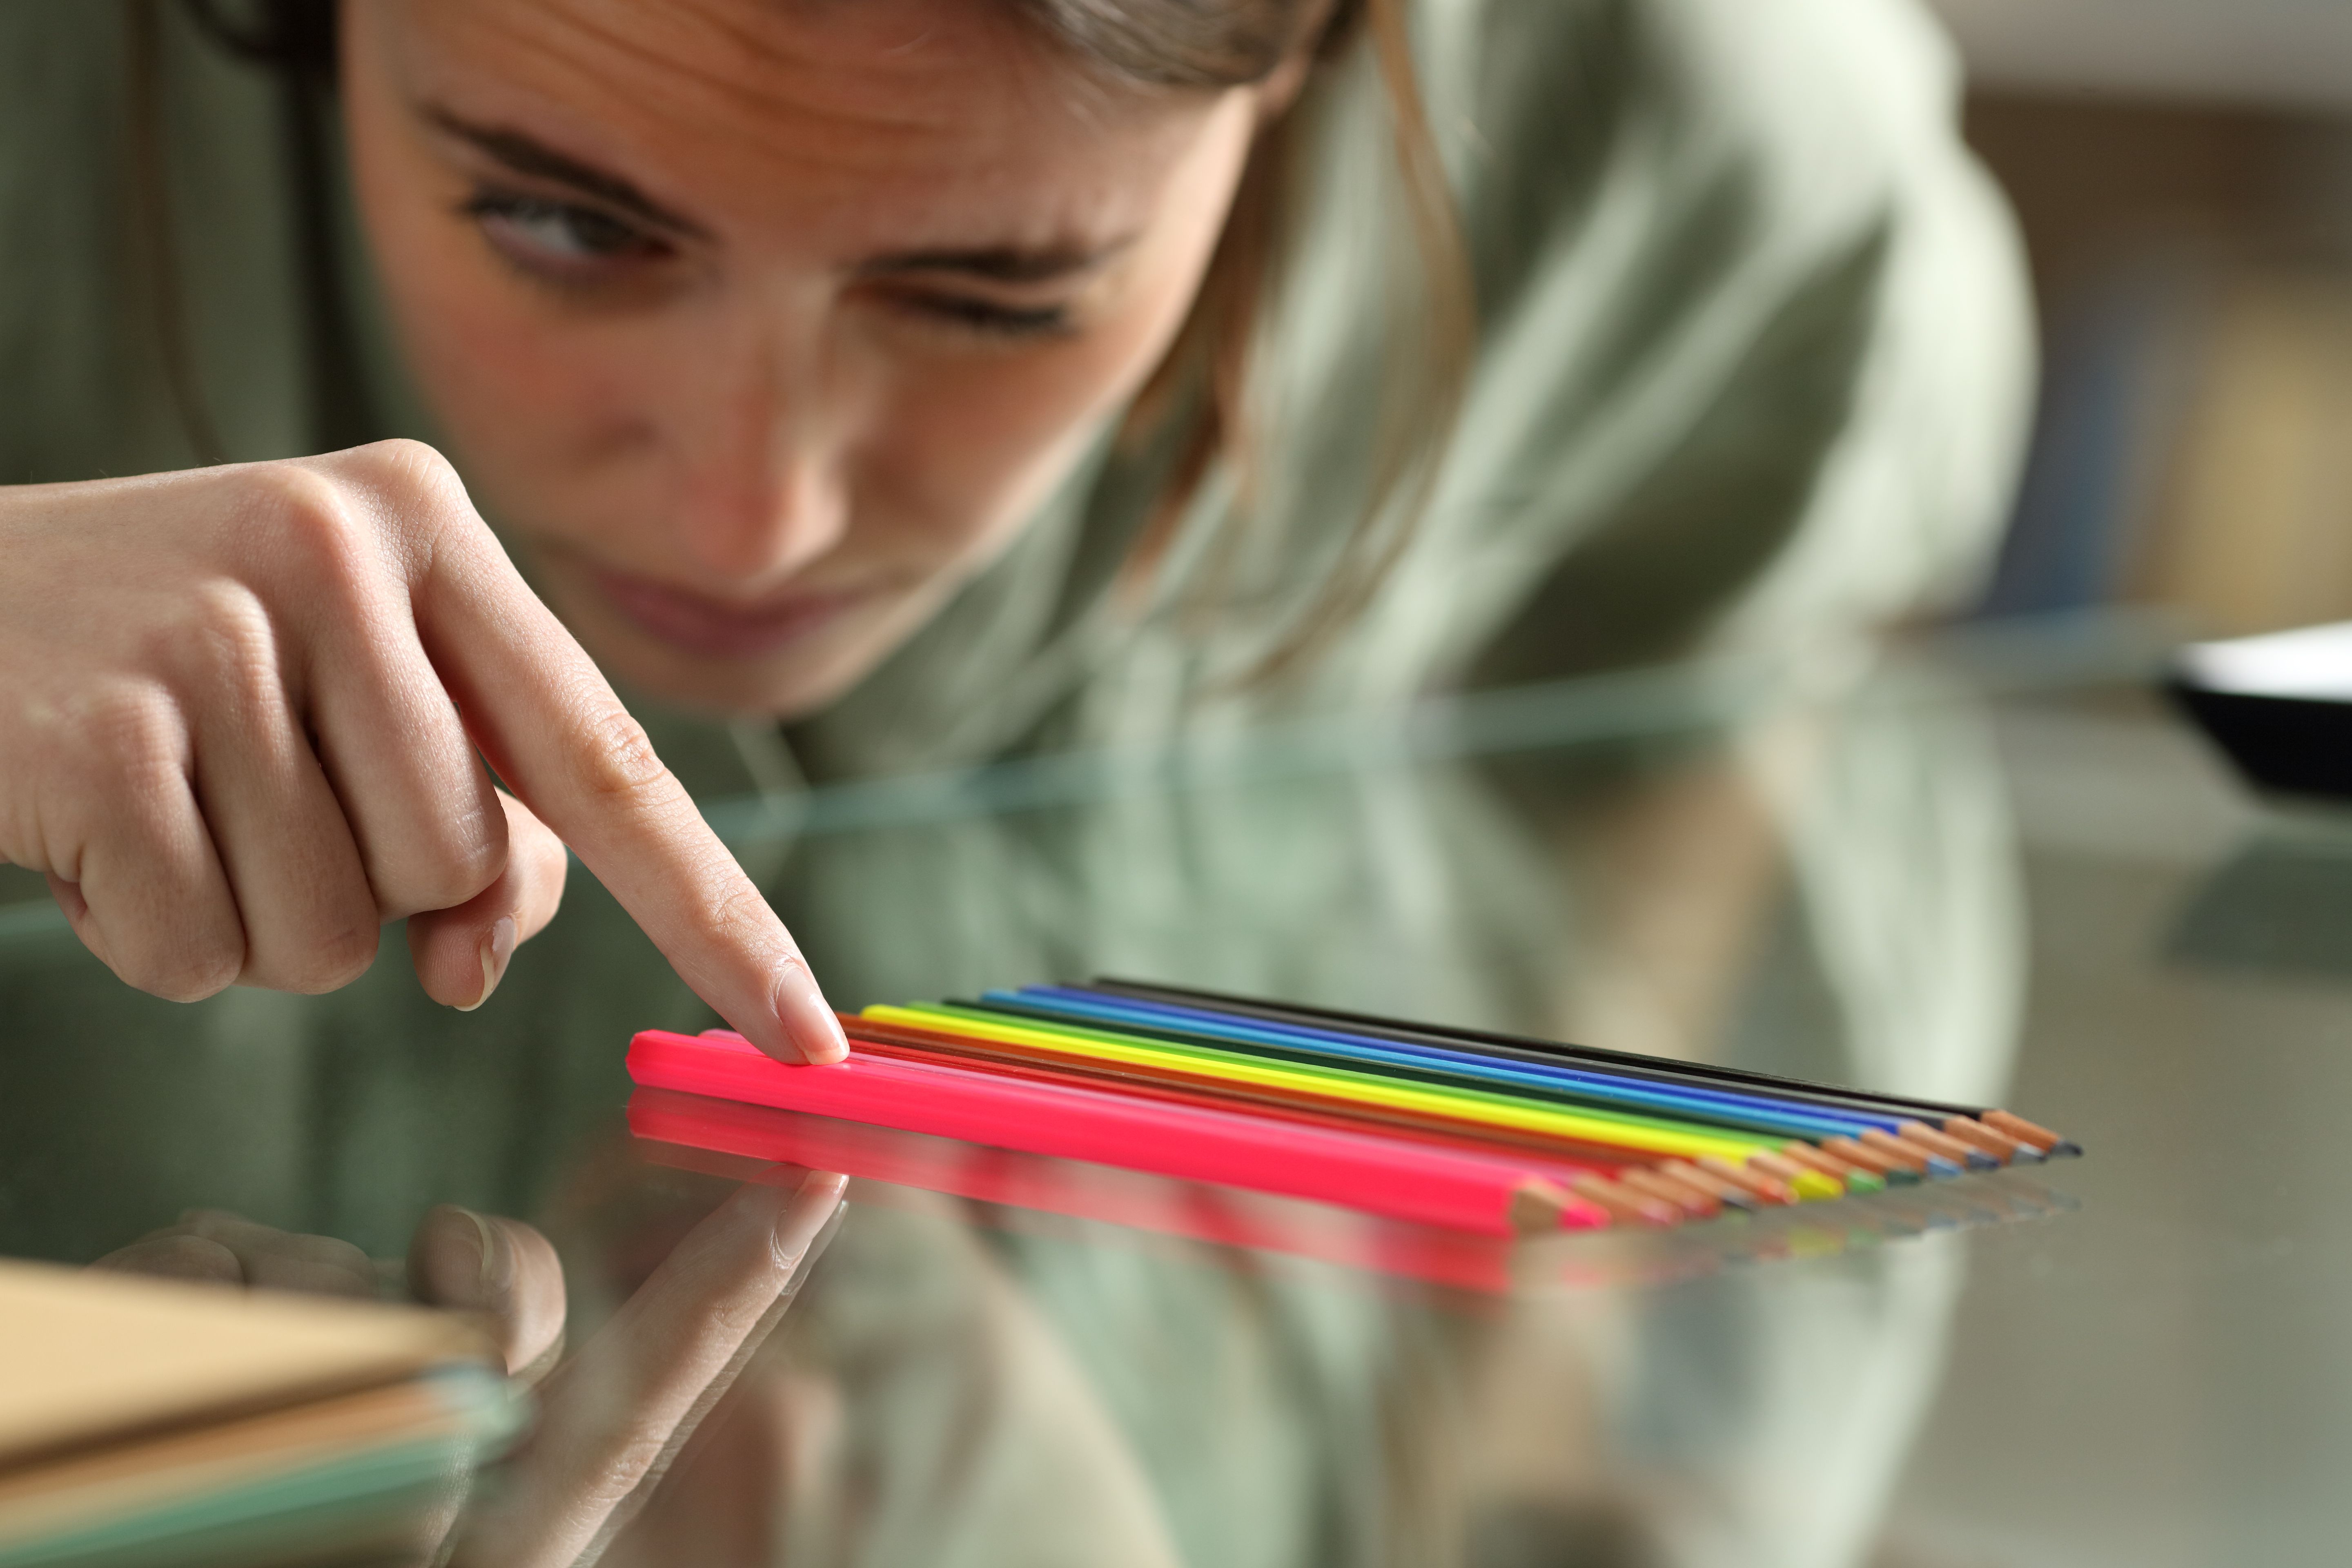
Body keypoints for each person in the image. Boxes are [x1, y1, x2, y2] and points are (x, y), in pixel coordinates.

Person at [0, 0, 2031, 1046]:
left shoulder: (1708, 113)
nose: (754, 510)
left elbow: (1751, 688)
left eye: (994, 301)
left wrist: (1516, 1425)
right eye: (554, 220)